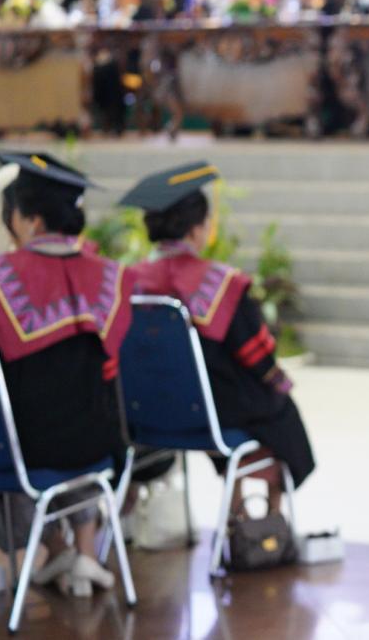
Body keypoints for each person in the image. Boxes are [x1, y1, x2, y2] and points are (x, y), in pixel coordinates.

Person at [0, 152, 133, 596]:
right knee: (86, 402)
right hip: (96, 448)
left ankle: (57, 549)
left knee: (3, 424)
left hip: (12, 452)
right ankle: (85, 554)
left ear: (29, 221)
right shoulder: (112, 278)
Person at [120, 162, 315, 518]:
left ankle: (238, 506)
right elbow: (256, 354)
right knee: (280, 412)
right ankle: (268, 521)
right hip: (214, 416)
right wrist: (278, 380)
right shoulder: (223, 283)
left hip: (146, 415)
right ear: (197, 229)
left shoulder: (127, 282)